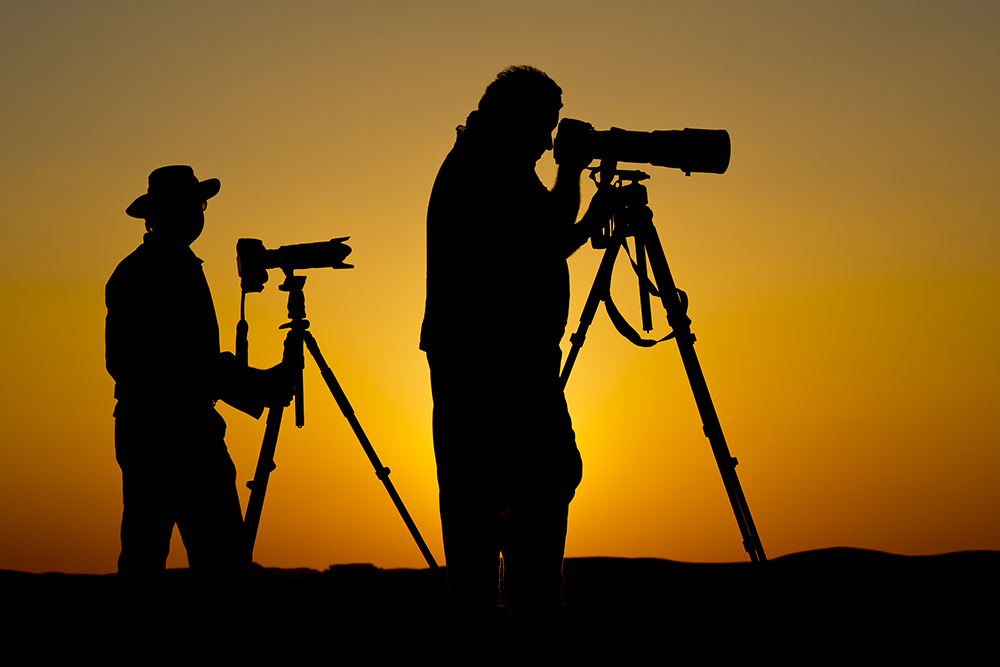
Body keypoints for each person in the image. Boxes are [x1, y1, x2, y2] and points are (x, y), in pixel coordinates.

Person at [420, 66, 611, 620]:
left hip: (495, 370)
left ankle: (522, 610)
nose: (549, 141)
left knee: (493, 511)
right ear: (517, 118)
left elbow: (531, 252)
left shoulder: (484, 162)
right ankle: (530, 615)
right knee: (515, 503)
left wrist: (585, 222)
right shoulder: (486, 167)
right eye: (545, 126)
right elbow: (544, 235)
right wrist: (572, 173)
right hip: (500, 376)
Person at [106, 165, 288, 579]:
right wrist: (255, 385)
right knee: (211, 560)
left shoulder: (173, 266)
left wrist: (249, 383)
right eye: (192, 205)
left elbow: (188, 363)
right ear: (164, 213)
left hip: (162, 430)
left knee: (151, 556)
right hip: (171, 434)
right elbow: (164, 365)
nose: (199, 214)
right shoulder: (149, 272)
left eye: (201, 205)